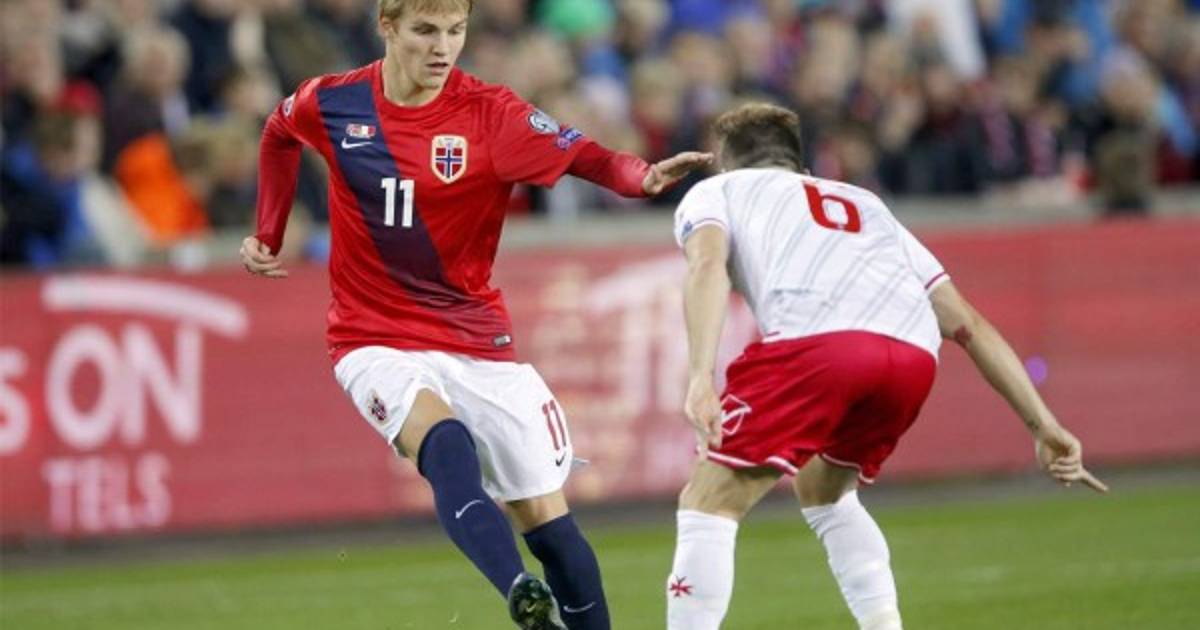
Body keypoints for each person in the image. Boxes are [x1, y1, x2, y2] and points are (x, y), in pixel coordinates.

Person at [239, 1, 711, 629]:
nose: (442, 47)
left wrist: (640, 176)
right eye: (425, 31)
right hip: (370, 337)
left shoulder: (491, 114)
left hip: (475, 340)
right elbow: (278, 131)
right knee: (444, 440)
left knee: (551, 528)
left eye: (454, 31)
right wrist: (268, 230)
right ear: (387, 27)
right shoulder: (332, 102)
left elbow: (583, 155)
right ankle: (517, 587)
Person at [665, 102, 1106, 630]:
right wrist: (1043, 424)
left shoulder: (717, 191)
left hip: (819, 347)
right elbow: (966, 323)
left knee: (708, 502)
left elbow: (707, 265)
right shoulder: (865, 202)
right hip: (912, 357)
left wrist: (701, 376)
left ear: (726, 164)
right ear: (802, 167)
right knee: (825, 491)